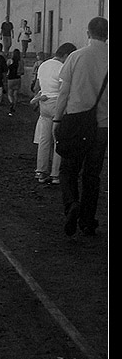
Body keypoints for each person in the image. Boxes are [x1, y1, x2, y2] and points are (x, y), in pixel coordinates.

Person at [53, 16, 108, 236]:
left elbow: (63, 93)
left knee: (68, 169)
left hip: (76, 122)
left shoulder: (76, 57)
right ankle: (87, 221)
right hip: (103, 126)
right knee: (92, 175)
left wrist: (57, 119)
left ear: (88, 33)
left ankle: (71, 204)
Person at [30, 42, 77, 185]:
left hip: (44, 102)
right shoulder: (63, 67)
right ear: (66, 55)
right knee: (58, 139)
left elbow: (38, 86)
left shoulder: (43, 65)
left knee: (44, 139)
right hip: (57, 103)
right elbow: (64, 90)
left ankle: (41, 171)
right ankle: (55, 173)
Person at [6, 48, 24, 115]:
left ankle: (11, 102)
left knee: (10, 93)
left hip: (11, 78)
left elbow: (6, 68)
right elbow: (22, 71)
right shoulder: (21, 61)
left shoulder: (10, 61)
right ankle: (14, 106)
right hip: (18, 78)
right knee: (16, 93)